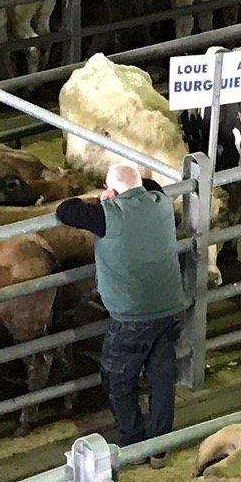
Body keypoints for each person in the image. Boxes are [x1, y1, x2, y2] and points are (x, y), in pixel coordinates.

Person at [54, 162, 187, 459]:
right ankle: (159, 448)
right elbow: (151, 186)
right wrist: (121, 190)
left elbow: (66, 210)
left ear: (111, 191)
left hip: (132, 315)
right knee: (161, 378)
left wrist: (104, 198)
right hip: (169, 307)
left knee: (117, 378)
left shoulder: (107, 215)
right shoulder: (161, 203)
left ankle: (132, 442)